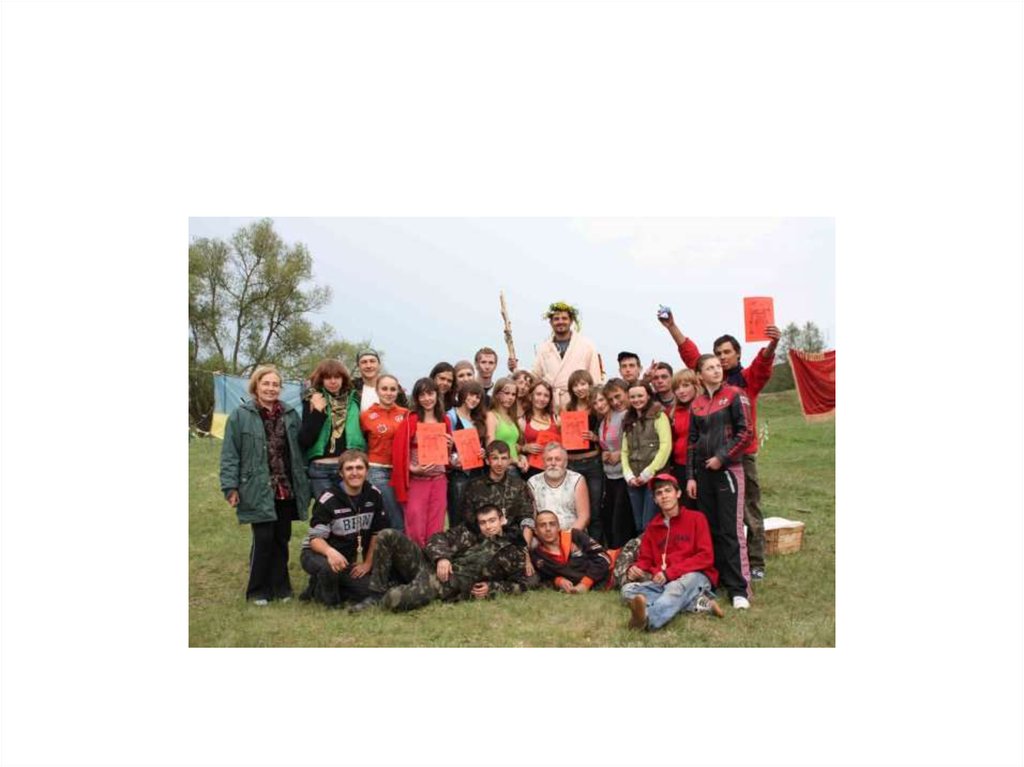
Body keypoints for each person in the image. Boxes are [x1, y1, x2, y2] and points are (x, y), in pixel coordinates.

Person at [219, 364, 311, 605]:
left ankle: (281, 588)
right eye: (266, 383)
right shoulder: (240, 415)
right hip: (256, 486)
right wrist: (230, 487)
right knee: (263, 538)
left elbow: (300, 450)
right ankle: (257, 590)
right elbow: (230, 454)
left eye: (275, 384)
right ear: (256, 386)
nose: (271, 388)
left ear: (281, 388)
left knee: (282, 537)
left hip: (285, 487)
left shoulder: (290, 414)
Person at [353, 505, 536, 612]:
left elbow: (523, 583)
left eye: (492, 521)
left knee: (394, 599)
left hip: (444, 583)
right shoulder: (469, 532)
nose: (488, 526)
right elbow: (437, 538)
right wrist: (442, 558)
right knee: (387, 535)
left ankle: (394, 589)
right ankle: (376, 593)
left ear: (502, 520)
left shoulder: (513, 550)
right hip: (426, 564)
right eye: (483, 522)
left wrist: (493, 588)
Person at [712, 327, 780, 582]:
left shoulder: (747, 379)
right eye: (718, 353)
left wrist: (773, 344)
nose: (722, 357)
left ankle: (756, 562)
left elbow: (762, 366)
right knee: (723, 512)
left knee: (749, 509)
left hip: (743, 456)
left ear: (738, 354)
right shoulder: (712, 384)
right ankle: (727, 561)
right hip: (717, 456)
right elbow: (691, 355)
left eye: (726, 352)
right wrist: (672, 328)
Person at [687, 353, 754, 609]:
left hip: (728, 470)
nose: (716, 370)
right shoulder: (696, 404)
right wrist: (691, 477)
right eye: (710, 367)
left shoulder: (735, 394)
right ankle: (718, 581)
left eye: (718, 366)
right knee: (710, 530)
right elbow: (692, 443)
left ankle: (740, 589)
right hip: (703, 475)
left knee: (730, 531)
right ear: (700, 375)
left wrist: (722, 457)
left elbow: (746, 432)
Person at [622, 474, 724, 630]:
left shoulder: (697, 518)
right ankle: (698, 604)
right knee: (628, 590)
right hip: (664, 581)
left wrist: (670, 573)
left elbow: (706, 557)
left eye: (668, 490)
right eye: (659, 493)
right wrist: (635, 569)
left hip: (695, 576)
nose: (664, 496)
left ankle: (648, 620)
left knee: (675, 588)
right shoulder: (652, 527)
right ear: (655, 500)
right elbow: (646, 559)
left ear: (678, 493)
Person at [299, 450, 387, 607]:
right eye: (349, 468)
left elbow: (377, 533)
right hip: (318, 553)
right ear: (341, 473)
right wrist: (330, 552)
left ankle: (321, 584)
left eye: (359, 468)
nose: (355, 473)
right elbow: (315, 540)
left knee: (369, 591)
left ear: (367, 471)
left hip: (347, 561)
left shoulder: (374, 494)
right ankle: (323, 593)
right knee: (329, 572)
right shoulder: (328, 499)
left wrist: (367, 563)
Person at [390, 377, 454, 548]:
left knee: (436, 525)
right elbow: (398, 452)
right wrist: (412, 468)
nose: (427, 399)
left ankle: (433, 557)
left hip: (439, 480)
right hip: (417, 481)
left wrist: (449, 445)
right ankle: (416, 559)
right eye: (422, 395)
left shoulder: (445, 420)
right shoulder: (410, 421)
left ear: (437, 395)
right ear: (417, 398)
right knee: (415, 524)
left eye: (430, 394)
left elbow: (447, 456)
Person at [510, 301, 602, 407]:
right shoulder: (544, 348)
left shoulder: (586, 345)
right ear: (551, 322)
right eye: (556, 319)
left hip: (579, 403)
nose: (560, 322)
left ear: (571, 321)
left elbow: (595, 378)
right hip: (552, 403)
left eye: (564, 318)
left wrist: (595, 404)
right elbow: (535, 376)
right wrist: (516, 370)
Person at [298, 358, 366, 499]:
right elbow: (305, 439)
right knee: (326, 510)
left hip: (348, 467)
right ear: (321, 380)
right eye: (328, 378)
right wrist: (318, 412)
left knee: (350, 509)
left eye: (337, 377)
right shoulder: (313, 399)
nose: (333, 381)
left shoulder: (354, 400)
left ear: (343, 379)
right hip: (321, 469)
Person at [458, 440, 536, 547]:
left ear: (509, 460)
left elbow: (527, 518)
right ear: (487, 461)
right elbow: (468, 520)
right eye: (495, 458)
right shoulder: (474, 486)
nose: (500, 463)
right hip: (483, 541)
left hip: (513, 541)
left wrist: (524, 549)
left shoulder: (519, 485)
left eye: (504, 458)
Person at [359, 374, 409, 532]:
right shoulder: (366, 415)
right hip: (377, 470)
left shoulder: (406, 414)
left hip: (402, 471)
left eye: (392, 389)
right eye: (384, 389)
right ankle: (400, 545)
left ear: (398, 391)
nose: (388, 393)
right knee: (395, 516)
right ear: (377, 390)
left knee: (405, 513)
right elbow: (361, 443)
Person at [620, 382, 672, 533]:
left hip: (654, 479)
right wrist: (628, 474)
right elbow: (624, 451)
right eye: (633, 397)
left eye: (640, 396)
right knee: (638, 525)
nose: (636, 400)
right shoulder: (628, 419)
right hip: (634, 480)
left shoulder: (659, 416)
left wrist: (649, 472)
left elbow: (665, 446)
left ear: (648, 396)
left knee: (649, 524)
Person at [563, 370, 605, 543]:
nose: (579, 388)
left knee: (595, 510)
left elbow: (605, 434)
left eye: (583, 384)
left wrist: (595, 437)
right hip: (572, 464)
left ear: (589, 384)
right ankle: (576, 545)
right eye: (575, 385)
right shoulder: (567, 409)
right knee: (574, 509)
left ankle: (596, 547)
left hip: (592, 463)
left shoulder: (596, 407)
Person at [530, 510, 611, 593]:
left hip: (607, 577)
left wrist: (586, 583)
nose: (548, 529)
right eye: (542, 525)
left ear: (558, 527)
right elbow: (543, 578)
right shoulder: (537, 556)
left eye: (552, 524)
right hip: (577, 588)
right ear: (536, 531)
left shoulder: (574, 536)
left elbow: (604, 557)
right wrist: (558, 581)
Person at [596, 378, 636, 548]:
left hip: (624, 474)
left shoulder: (627, 415)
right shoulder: (605, 420)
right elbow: (607, 444)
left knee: (620, 522)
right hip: (610, 475)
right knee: (609, 518)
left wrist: (619, 454)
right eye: (611, 399)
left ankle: (621, 555)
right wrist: (604, 454)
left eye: (617, 397)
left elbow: (636, 442)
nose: (615, 402)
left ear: (626, 393)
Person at [446, 380, 488, 530]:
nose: (474, 400)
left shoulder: (478, 419)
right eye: (471, 395)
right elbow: (445, 447)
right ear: (462, 394)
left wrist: (483, 452)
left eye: (478, 397)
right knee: (457, 517)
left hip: (477, 473)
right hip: (459, 474)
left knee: (476, 517)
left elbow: (481, 446)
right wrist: (453, 458)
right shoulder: (450, 416)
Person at [526, 442, 589, 533]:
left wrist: (567, 536)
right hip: (544, 534)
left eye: (558, 459)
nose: (553, 463)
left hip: (574, 533)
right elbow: (532, 517)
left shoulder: (577, 480)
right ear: (543, 462)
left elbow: (584, 517)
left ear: (565, 463)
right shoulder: (533, 482)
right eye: (549, 459)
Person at [668, 368, 701, 510]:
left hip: (699, 465)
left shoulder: (703, 408)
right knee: (685, 507)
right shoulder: (674, 412)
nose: (681, 391)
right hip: (679, 465)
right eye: (677, 388)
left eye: (686, 385)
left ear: (695, 386)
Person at [485, 376, 528, 475]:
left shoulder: (512, 417)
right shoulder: (491, 415)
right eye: (507, 393)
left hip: (515, 468)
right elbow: (490, 447)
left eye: (513, 394)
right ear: (497, 394)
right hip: (500, 470)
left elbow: (512, 445)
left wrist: (521, 457)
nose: (510, 397)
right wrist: (514, 461)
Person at [519, 379, 560, 479]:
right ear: (531, 396)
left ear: (550, 399)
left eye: (546, 396)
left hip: (555, 469)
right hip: (532, 470)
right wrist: (525, 448)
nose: (542, 399)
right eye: (538, 394)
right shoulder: (522, 421)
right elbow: (514, 446)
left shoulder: (556, 419)